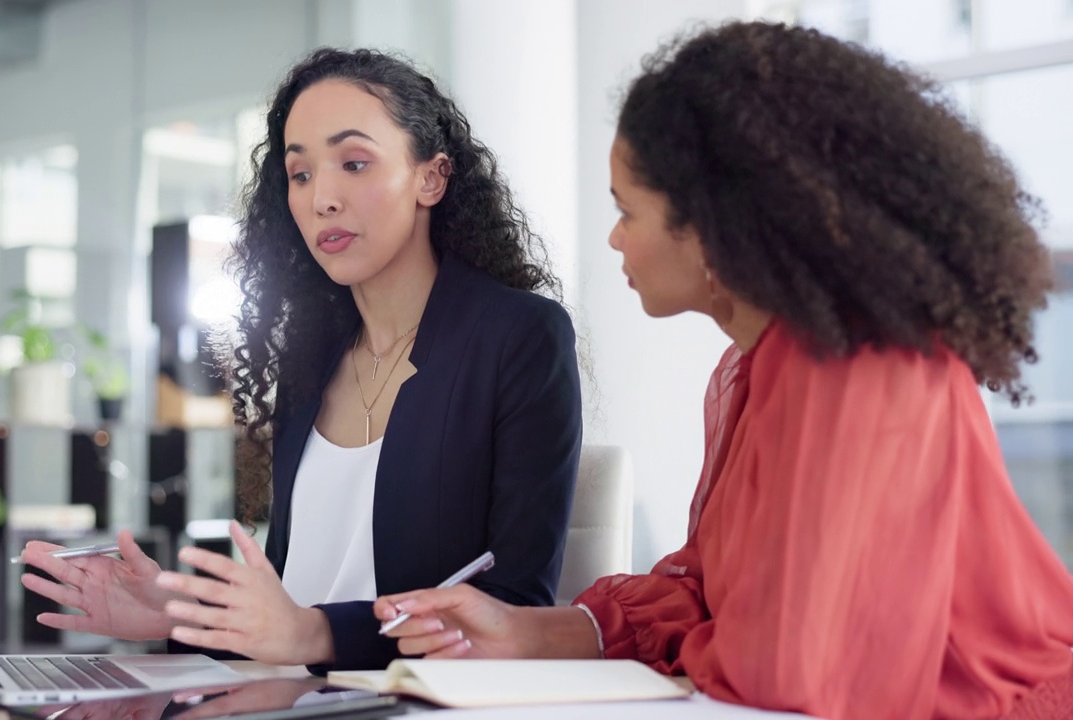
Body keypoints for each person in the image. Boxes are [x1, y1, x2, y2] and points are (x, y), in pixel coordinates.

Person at [373, 21, 1073, 720]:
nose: (615, 237)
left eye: (627, 211)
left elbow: (793, 673)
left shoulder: (867, 367)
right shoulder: (750, 371)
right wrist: (533, 631)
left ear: (711, 229)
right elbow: (708, 597)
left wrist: (664, 658)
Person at [19, 47, 582, 673]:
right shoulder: (312, 361)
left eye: (355, 162)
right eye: (302, 174)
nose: (323, 200)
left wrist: (314, 636)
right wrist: (178, 614)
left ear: (432, 176)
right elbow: (291, 611)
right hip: (288, 699)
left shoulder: (519, 336)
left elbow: (514, 609)